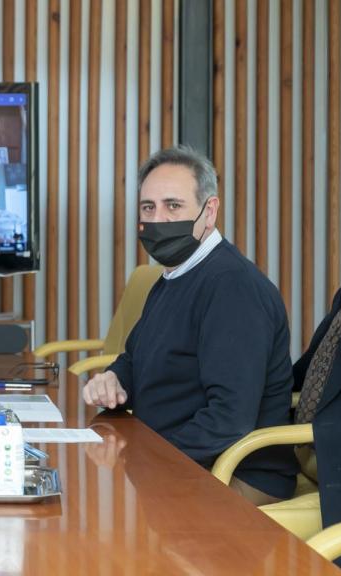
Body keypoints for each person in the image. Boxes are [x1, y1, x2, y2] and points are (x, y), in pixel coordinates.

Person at [81, 145, 297, 505]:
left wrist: (142, 460)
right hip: (178, 461)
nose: (159, 219)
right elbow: (136, 359)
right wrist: (113, 380)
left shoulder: (232, 287)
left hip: (231, 475)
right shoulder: (173, 277)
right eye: (148, 208)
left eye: (174, 206)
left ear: (209, 211)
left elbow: (228, 420)